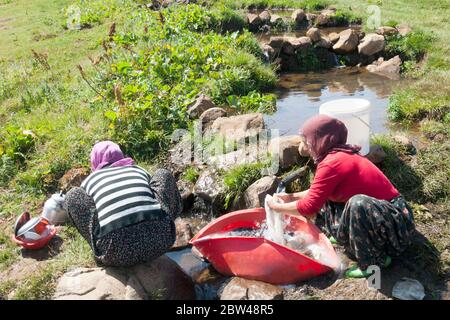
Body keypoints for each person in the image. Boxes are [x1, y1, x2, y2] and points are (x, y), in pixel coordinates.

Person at [268, 115, 415, 278]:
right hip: (381, 217)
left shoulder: (333, 162)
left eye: (307, 141)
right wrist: (290, 196)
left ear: (321, 140)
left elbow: (310, 207)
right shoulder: (337, 155)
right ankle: (346, 237)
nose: (304, 147)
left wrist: (277, 208)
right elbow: (317, 192)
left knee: (357, 204)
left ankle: (374, 262)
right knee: (329, 197)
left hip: (396, 225)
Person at [64, 141, 181, 267]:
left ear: (95, 162)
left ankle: (98, 249)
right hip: (162, 239)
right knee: (163, 173)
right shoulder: (138, 170)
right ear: (121, 156)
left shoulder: (90, 180)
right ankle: (166, 223)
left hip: (114, 253)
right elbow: (155, 192)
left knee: (72, 195)